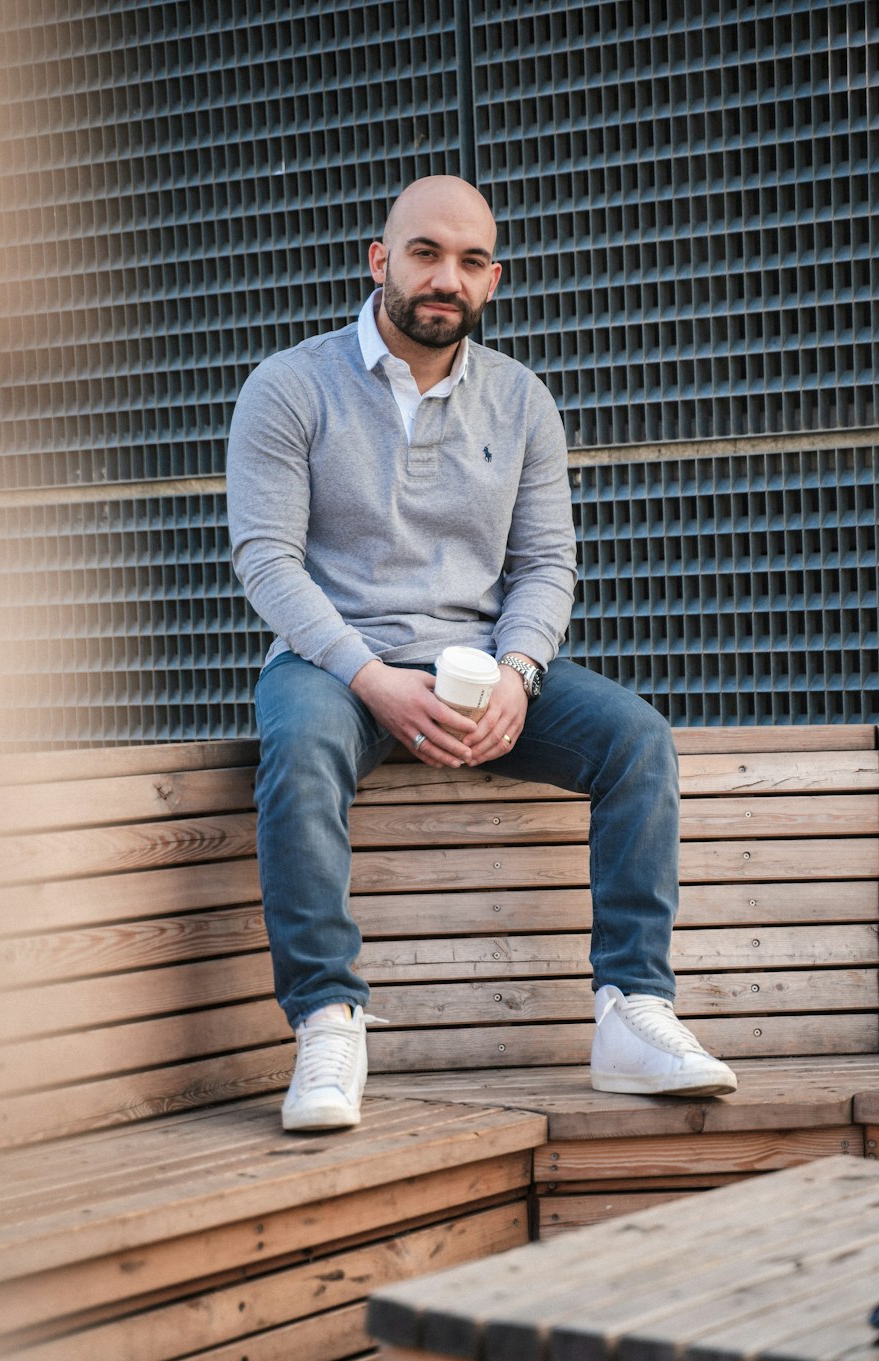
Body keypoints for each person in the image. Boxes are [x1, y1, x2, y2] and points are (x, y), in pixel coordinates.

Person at [226, 175, 737, 1131]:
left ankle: (633, 1010)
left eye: (469, 262)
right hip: (338, 663)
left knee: (636, 741)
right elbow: (266, 562)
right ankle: (328, 1020)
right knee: (297, 752)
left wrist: (521, 672)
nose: (444, 279)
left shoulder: (522, 400)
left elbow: (547, 565)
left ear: (492, 281)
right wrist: (369, 677)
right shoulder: (289, 386)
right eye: (424, 253)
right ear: (380, 261)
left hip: (484, 663)